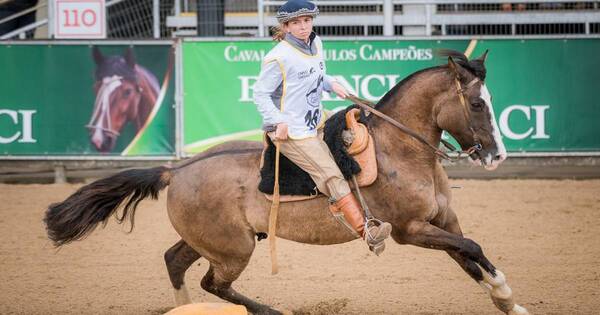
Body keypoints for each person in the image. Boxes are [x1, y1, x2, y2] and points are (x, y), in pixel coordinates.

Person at [252, 0, 392, 254]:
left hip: (318, 119)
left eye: (307, 21)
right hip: (294, 132)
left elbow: (317, 75)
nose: (303, 26)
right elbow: (260, 94)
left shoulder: (316, 43)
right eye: (296, 23)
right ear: (285, 27)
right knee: (331, 174)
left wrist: (331, 83)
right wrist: (278, 122)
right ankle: (367, 231)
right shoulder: (278, 57)